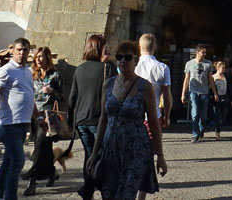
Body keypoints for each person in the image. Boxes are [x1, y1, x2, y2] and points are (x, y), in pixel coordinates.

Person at [87, 40, 167, 199]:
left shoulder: (145, 87)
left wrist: (160, 156)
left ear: (136, 60)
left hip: (135, 150)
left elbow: (153, 122)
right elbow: (103, 120)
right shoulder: (107, 85)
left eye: (128, 57)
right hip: (111, 149)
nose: (123, 61)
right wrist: (95, 153)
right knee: (108, 193)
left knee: (126, 194)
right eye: (119, 57)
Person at [0, 37, 37, 200]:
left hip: (22, 125)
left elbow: (30, 97)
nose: (22, 53)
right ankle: (10, 196)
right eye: (19, 49)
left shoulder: (27, 72)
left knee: (8, 163)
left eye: (25, 50)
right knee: (18, 161)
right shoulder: (4, 71)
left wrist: (39, 117)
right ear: (13, 50)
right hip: (8, 125)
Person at [68, 34, 116, 200]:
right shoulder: (107, 69)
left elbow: (72, 99)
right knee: (102, 157)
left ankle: (88, 190)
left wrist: (70, 122)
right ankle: (103, 190)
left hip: (81, 121)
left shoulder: (79, 69)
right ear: (100, 48)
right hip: (99, 121)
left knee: (90, 156)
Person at [20, 46, 63, 196]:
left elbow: (62, 97)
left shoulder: (55, 75)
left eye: (41, 57)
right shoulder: (32, 75)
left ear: (47, 58)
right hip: (34, 114)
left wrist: (53, 92)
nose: (38, 60)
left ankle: (32, 181)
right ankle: (51, 172)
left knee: (39, 145)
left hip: (48, 116)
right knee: (44, 148)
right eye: (37, 57)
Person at [134, 34, 171, 134]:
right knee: (153, 147)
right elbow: (167, 97)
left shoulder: (133, 66)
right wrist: (166, 116)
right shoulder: (163, 68)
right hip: (154, 115)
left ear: (139, 46)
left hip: (134, 115)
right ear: (155, 47)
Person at [181, 44, 212, 143]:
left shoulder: (208, 64)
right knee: (195, 113)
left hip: (204, 92)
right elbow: (186, 79)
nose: (204, 54)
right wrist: (183, 93)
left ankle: (201, 128)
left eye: (205, 52)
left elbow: (210, 79)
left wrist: (214, 93)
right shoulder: (189, 64)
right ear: (197, 52)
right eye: (203, 52)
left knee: (203, 115)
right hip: (193, 91)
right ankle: (195, 134)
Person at [211, 60, 232, 138]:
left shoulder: (226, 77)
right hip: (216, 98)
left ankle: (220, 125)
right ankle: (217, 131)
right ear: (218, 68)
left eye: (224, 67)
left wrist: (231, 99)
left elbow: (230, 89)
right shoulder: (213, 77)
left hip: (224, 97)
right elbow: (210, 88)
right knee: (217, 115)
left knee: (223, 116)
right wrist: (214, 95)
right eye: (222, 67)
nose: (223, 69)